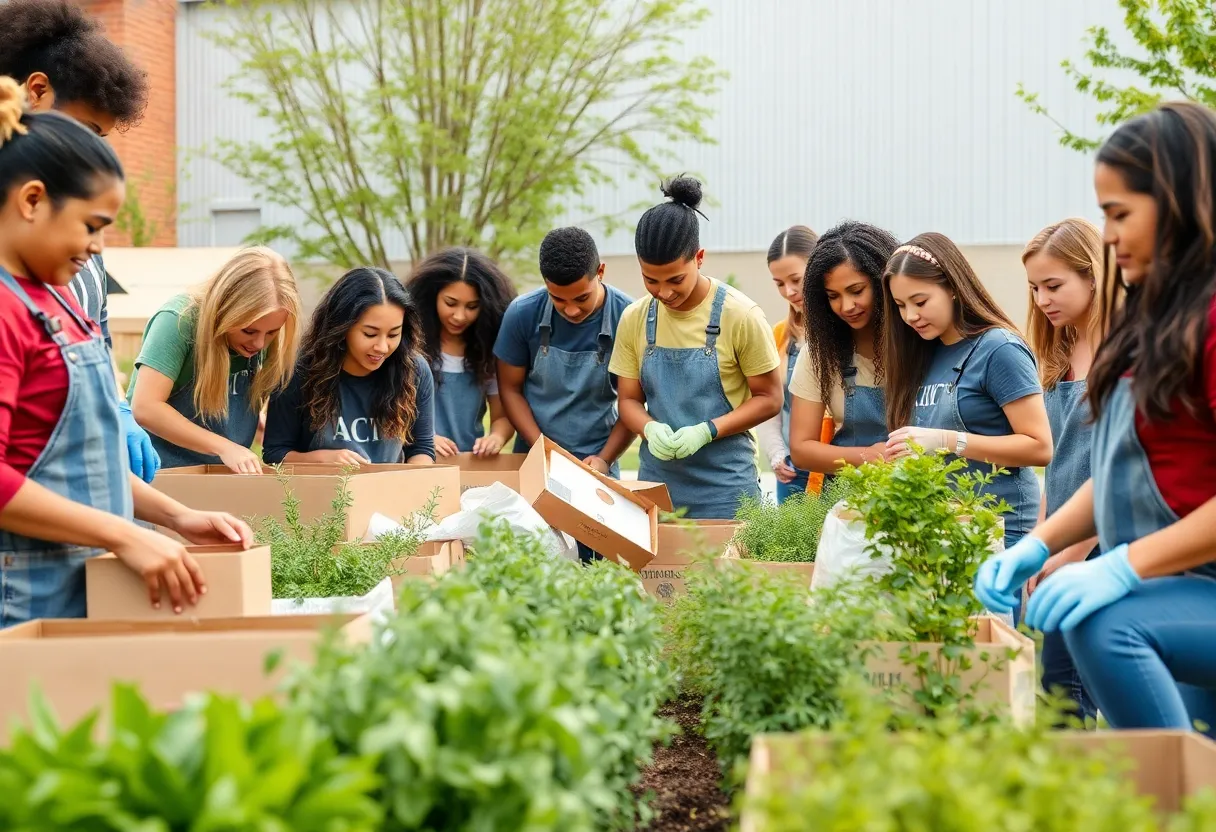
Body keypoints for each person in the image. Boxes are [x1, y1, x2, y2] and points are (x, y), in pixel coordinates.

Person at [976, 102, 1216, 737]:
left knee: (1104, 625)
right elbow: (1119, 473)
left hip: (1192, 582)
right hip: (1179, 586)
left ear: (1182, 203)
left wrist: (1119, 566)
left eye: (1120, 214)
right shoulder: (1152, 324)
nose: (1107, 236)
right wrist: (1037, 545)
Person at [0, 80, 253, 627]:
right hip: (22, 592)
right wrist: (123, 534)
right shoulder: (5, 312)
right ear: (32, 201)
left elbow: (78, 463)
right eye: (91, 227)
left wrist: (177, 516)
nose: (96, 248)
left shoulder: (60, 304)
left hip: (79, 573)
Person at [0, 0, 158, 483]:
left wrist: (119, 408)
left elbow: (98, 335)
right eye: (87, 131)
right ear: (37, 91)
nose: (90, 243)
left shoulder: (80, 244)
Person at [610, 177, 782, 519]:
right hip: (658, 486)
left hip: (726, 489)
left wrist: (708, 430)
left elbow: (770, 398)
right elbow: (628, 400)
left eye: (675, 279)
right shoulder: (634, 318)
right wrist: (649, 427)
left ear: (699, 258)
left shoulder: (740, 315)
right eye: (650, 279)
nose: (664, 292)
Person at [882, 232, 1052, 561]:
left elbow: (1040, 446)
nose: (910, 316)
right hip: (940, 529)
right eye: (901, 306)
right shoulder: (922, 354)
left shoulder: (998, 349)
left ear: (953, 288)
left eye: (920, 301)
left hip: (998, 531)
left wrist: (947, 440)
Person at [1017, 218, 1107, 723]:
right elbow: (1061, 462)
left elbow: (1113, 469)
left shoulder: (1126, 352)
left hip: (1107, 540)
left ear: (1093, 275)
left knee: (1067, 685)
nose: (1043, 299)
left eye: (1054, 285)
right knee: (1056, 685)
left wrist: (1073, 550)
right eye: (1035, 288)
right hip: (1065, 538)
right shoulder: (1056, 349)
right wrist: (1041, 539)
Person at [127, 247, 302, 473]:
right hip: (160, 475)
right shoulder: (178, 321)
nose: (259, 344)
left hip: (221, 478)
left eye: (271, 333)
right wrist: (223, 446)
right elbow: (146, 407)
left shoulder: (262, 340)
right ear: (226, 310)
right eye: (249, 331)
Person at [496, 226, 635, 476]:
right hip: (533, 456)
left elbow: (633, 401)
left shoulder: (628, 316)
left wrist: (604, 459)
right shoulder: (522, 313)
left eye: (582, 298)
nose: (571, 310)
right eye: (558, 299)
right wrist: (542, 448)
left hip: (599, 459)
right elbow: (510, 389)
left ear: (600, 272)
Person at [263, 267, 435, 465]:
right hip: (319, 493)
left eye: (393, 334)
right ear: (342, 327)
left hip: (391, 491)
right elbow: (275, 453)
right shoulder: (298, 371)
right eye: (370, 334)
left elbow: (421, 448)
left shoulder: (415, 370)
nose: (382, 347)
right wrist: (319, 459)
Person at [789, 221, 900, 476]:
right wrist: (868, 457)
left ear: (882, 281)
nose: (846, 306)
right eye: (833, 296)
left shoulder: (921, 342)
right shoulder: (818, 354)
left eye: (856, 290)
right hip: (848, 500)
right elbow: (801, 450)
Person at [406, 248, 514, 458]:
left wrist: (496, 438)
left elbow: (503, 417)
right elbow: (388, 413)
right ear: (432, 296)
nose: (459, 316)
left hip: (468, 464)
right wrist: (424, 439)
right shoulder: (409, 346)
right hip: (416, 462)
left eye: (472, 306)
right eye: (450, 303)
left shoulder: (488, 352)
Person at [755, 225, 832, 501]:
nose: (788, 291)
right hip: (792, 469)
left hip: (838, 467)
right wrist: (776, 454)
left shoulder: (843, 332)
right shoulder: (779, 335)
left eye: (795, 279)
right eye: (778, 283)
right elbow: (770, 401)